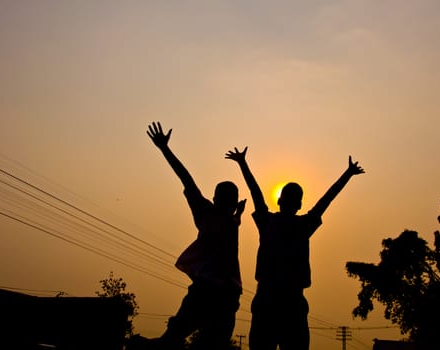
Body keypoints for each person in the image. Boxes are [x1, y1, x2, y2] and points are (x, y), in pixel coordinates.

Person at [225, 146, 364, 350]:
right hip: (291, 302)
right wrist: (348, 174)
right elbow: (326, 200)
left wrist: (243, 164)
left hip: (268, 300)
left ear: (279, 201)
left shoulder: (268, 222)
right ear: (299, 204)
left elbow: (256, 192)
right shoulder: (302, 226)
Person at [135, 121, 246, 350]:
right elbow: (186, 179)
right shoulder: (220, 217)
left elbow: (187, 179)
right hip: (219, 293)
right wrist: (164, 149)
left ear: (217, 199)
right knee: (186, 338)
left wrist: (164, 149)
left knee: (177, 337)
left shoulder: (217, 215)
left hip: (215, 292)